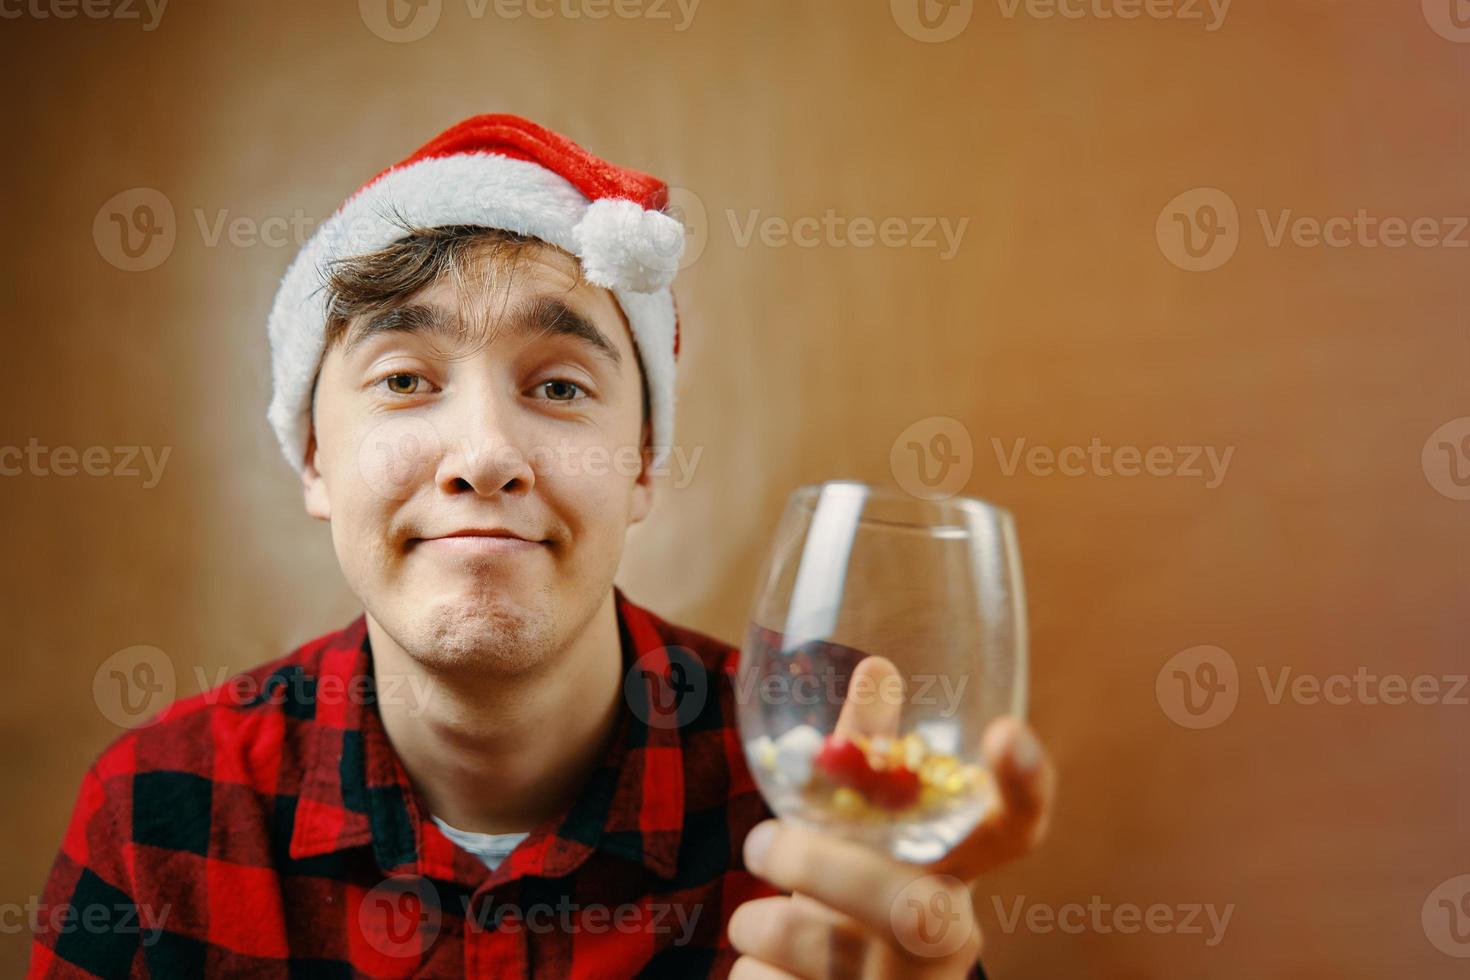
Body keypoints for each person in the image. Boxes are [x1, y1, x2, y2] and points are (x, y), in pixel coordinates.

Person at [31, 114, 1055, 978]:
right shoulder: (159, 808)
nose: (484, 456)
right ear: (312, 458)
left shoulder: (824, 778)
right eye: (403, 379)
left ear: (645, 463)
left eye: (559, 385)